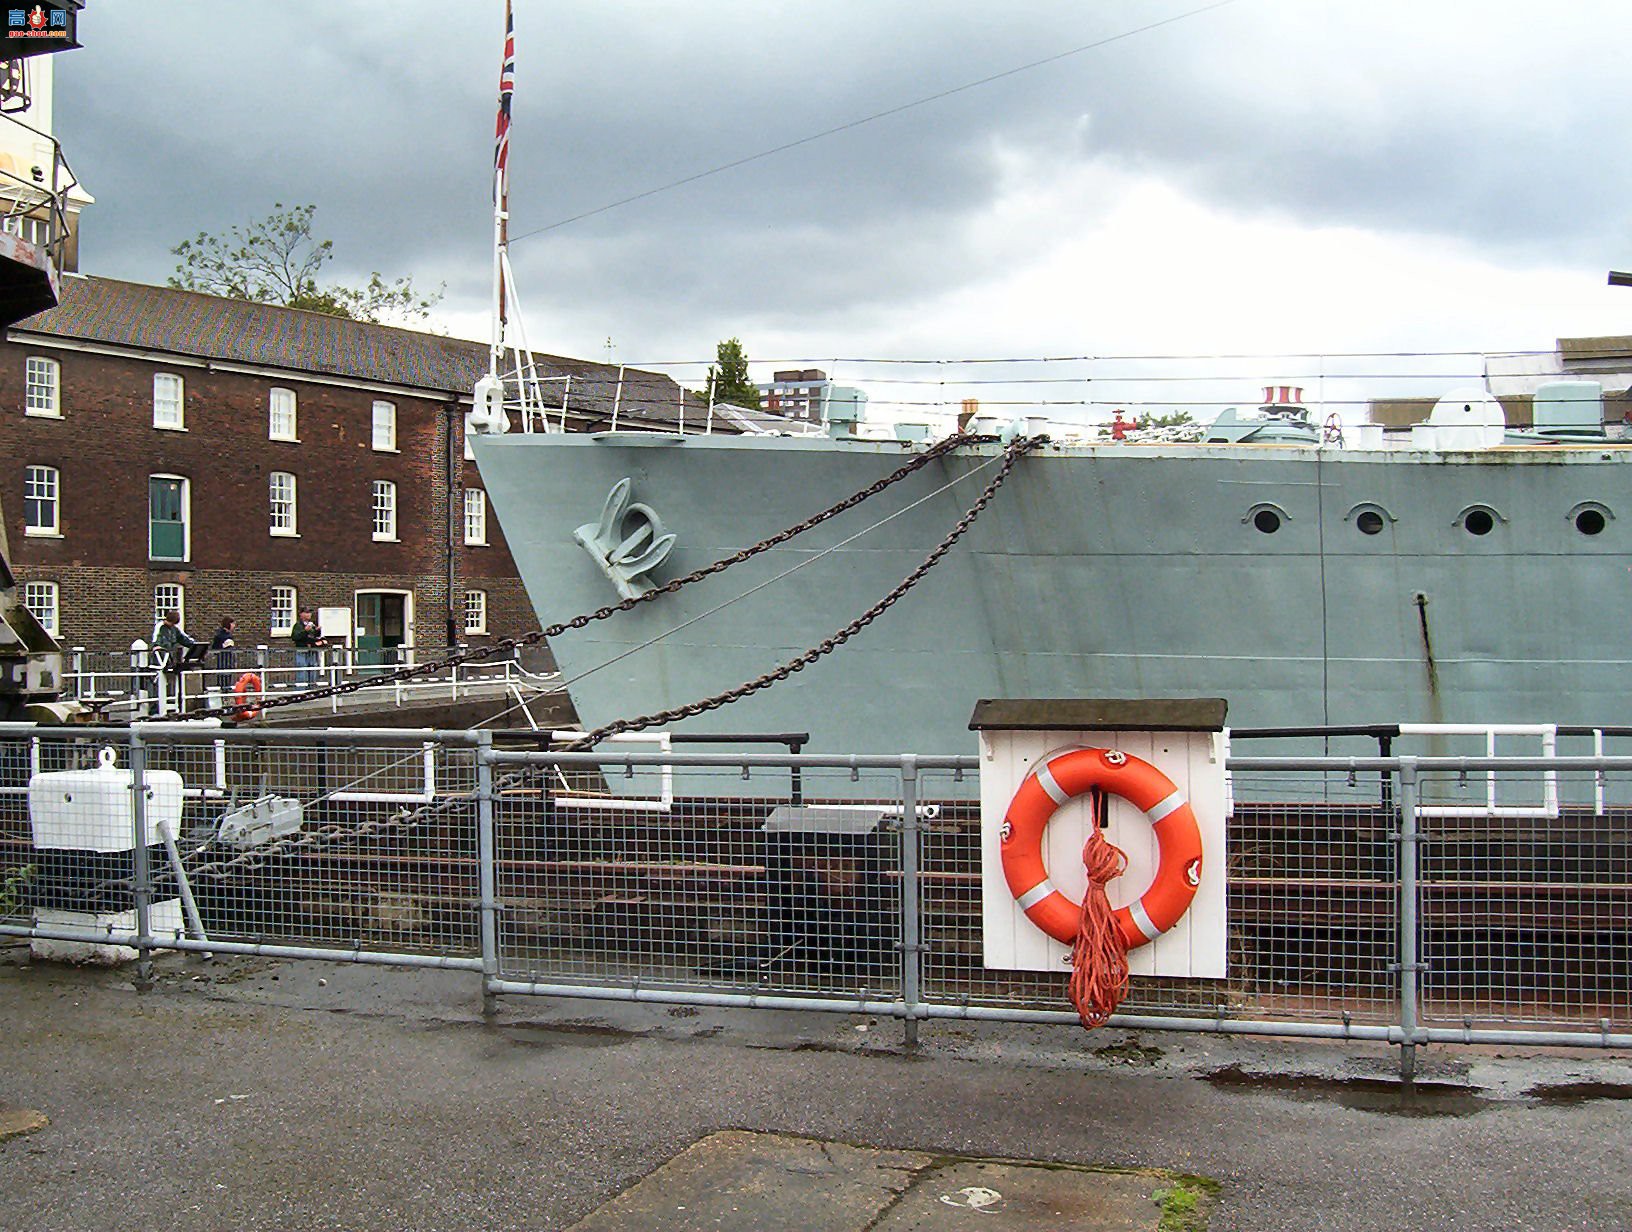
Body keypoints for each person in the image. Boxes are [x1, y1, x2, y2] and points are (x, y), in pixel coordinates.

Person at [291, 608, 326, 687]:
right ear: (301, 614)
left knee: (313, 668)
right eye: (306, 612)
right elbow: (295, 637)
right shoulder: (298, 625)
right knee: (302, 669)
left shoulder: (311, 625)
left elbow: (313, 637)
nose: (309, 614)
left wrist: (317, 631)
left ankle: (312, 687)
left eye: (310, 612)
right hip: (302, 650)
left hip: (312, 650)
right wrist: (305, 631)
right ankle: (301, 689)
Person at [209, 616, 237, 696]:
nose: (234, 626)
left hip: (228, 660)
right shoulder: (222, 635)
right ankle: (224, 693)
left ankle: (226, 692)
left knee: (227, 678)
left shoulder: (225, 635)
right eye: (233, 624)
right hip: (223, 660)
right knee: (223, 679)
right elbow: (215, 647)